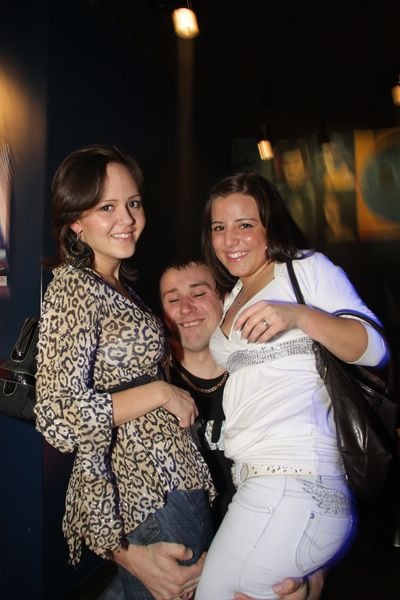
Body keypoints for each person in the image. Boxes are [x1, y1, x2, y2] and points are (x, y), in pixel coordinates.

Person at [194, 172, 388, 600]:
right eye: (219, 227)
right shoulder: (233, 294)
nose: (230, 240)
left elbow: (375, 348)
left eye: (245, 224)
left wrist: (299, 316)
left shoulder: (304, 269)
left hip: (295, 480)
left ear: (270, 225)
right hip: (259, 484)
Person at [34, 144, 216, 600]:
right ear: (75, 221)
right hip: (152, 490)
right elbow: (57, 416)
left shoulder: (116, 285)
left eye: (133, 203)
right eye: (106, 207)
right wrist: (160, 393)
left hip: (168, 479)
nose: (127, 219)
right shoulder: (74, 288)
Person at [159, 259, 326, 600]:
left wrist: (311, 581)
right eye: (173, 299)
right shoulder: (152, 388)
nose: (186, 308)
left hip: (256, 557)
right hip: (174, 570)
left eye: (198, 294)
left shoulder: (270, 376)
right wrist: (132, 557)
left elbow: (318, 485)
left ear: (227, 301)